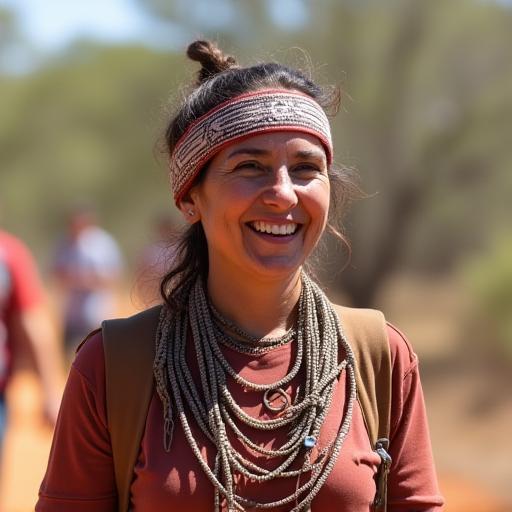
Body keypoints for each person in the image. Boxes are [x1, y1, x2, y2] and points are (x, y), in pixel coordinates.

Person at [36, 40, 444, 511]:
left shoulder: (379, 357)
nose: (283, 194)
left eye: (306, 168)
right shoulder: (114, 366)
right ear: (190, 198)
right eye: (250, 167)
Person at [0, 229, 62, 452]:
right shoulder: (7, 252)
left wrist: (50, 392)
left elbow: (34, 324)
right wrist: (50, 393)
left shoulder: (8, 254)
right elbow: (34, 325)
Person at [52, 207, 123, 358]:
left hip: (96, 311)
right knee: (70, 355)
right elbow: (56, 272)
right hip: (72, 312)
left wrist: (89, 280)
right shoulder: (64, 244)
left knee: (99, 355)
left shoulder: (103, 244)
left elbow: (114, 274)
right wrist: (71, 279)